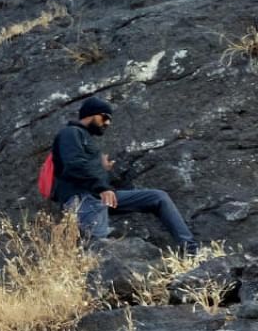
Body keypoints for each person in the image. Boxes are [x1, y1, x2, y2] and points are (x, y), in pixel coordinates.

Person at [51, 96, 199, 254]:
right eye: (105, 117)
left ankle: (190, 250)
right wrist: (101, 187)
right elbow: (74, 165)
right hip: (82, 198)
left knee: (158, 197)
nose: (108, 123)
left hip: (98, 195)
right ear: (91, 114)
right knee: (98, 248)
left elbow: (83, 166)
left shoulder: (87, 139)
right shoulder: (70, 133)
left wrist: (102, 169)